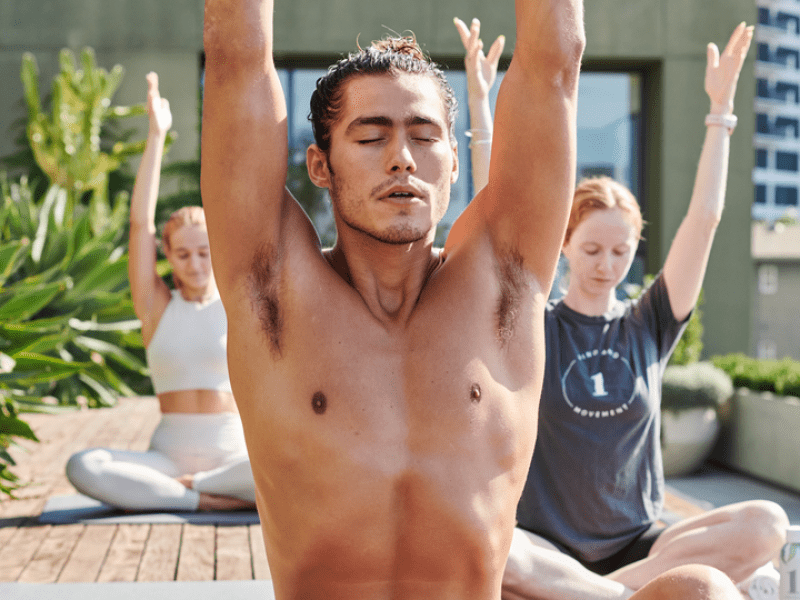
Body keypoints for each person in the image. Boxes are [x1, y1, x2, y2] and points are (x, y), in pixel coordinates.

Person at [456, 17, 790, 599]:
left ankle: (597, 593)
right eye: (589, 248)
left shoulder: (650, 323)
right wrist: (481, 110)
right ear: (564, 247)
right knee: (491, 541)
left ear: (635, 251)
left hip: (643, 542)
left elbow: (704, 219)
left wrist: (720, 112)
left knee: (768, 523)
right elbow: (497, 221)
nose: (604, 263)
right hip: (546, 545)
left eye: (619, 250)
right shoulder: (538, 325)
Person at [65, 73, 256, 513]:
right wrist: (156, 136)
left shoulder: (236, 305)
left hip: (234, 456)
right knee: (82, 465)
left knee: (297, 462)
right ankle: (206, 499)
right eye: (183, 254)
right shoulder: (156, 309)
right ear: (167, 255)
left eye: (205, 253)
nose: (194, 263)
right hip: (165, 457)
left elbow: (246, 203)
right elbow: (140, 227)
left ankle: (196, 491)